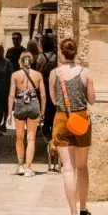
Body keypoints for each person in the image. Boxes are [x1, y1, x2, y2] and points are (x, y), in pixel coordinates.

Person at [49, 37, 96, 215]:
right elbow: (92, 99)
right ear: (75, 52)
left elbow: (54, 100)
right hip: (81, 119)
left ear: (61, 53)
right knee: (82, 166)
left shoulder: (54, 74)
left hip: (62, 119)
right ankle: (84, 208)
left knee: (68, 168)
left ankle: (73, 213)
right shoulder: (86, 73)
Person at [9, 50, 45, 175]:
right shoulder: (38, 75)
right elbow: (43, 95)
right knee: (31, 138)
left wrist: (9, 113)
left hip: (19, 103)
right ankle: (28, 168)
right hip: (34, 103)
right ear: (31, 60)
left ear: (20, 60)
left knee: (19, 137)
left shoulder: (15, 75)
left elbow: (12, 95)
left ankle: (20, 165)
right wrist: (43, 112)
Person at [34, 42, 60, 173]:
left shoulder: (41, 57)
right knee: (54, 108)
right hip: (55, 85)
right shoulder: (56, 56)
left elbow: (38, 69)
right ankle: (53, 133)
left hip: (44, 83)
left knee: (46, 106)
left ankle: (46, 129)